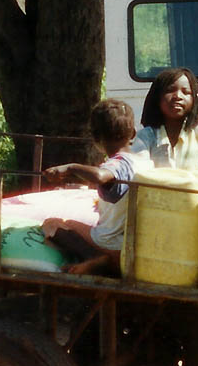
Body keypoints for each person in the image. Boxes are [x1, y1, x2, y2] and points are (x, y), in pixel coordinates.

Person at [41, 99, 152, 276]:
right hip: (136, 243)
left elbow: (101, 176)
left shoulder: (117, 164)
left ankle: (94, 258)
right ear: (132, 134)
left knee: (53, 224)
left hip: (111, 244)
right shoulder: (146, 163)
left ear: (96, 139)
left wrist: (71, 167)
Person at [131, 67, 198, 174]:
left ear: (195, 98)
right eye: (170, 90)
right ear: (157, 98)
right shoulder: (146, 136)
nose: (177, 96)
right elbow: (136, 168)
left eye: (186, 92)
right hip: (157, 191)